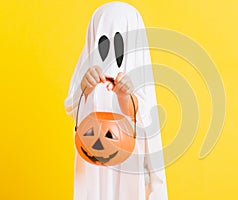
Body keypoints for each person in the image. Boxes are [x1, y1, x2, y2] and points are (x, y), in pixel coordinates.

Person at [64, 2, 168, 200]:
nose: (110, 53)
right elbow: (72, 106)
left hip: (130, 164)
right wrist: (84, 89)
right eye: (102, 44)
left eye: (120, 44)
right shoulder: (86, 74)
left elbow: (145, 119)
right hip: (93, 163)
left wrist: (126, 97)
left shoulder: (140, 75)